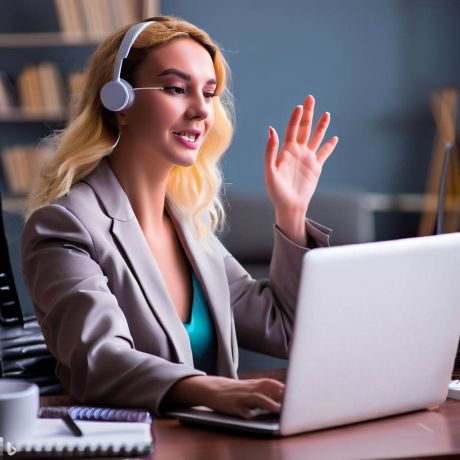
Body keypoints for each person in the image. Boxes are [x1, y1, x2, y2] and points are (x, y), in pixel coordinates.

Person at [21, 15, 338, 418]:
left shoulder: (189, 225)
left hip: (219, 442)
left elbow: (286, 329)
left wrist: (291, 212)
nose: (201, 111)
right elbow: (99, 361)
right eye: (176, 89)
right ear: (119, 102)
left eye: (209, 93)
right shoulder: (65, 225)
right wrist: (212, 390)